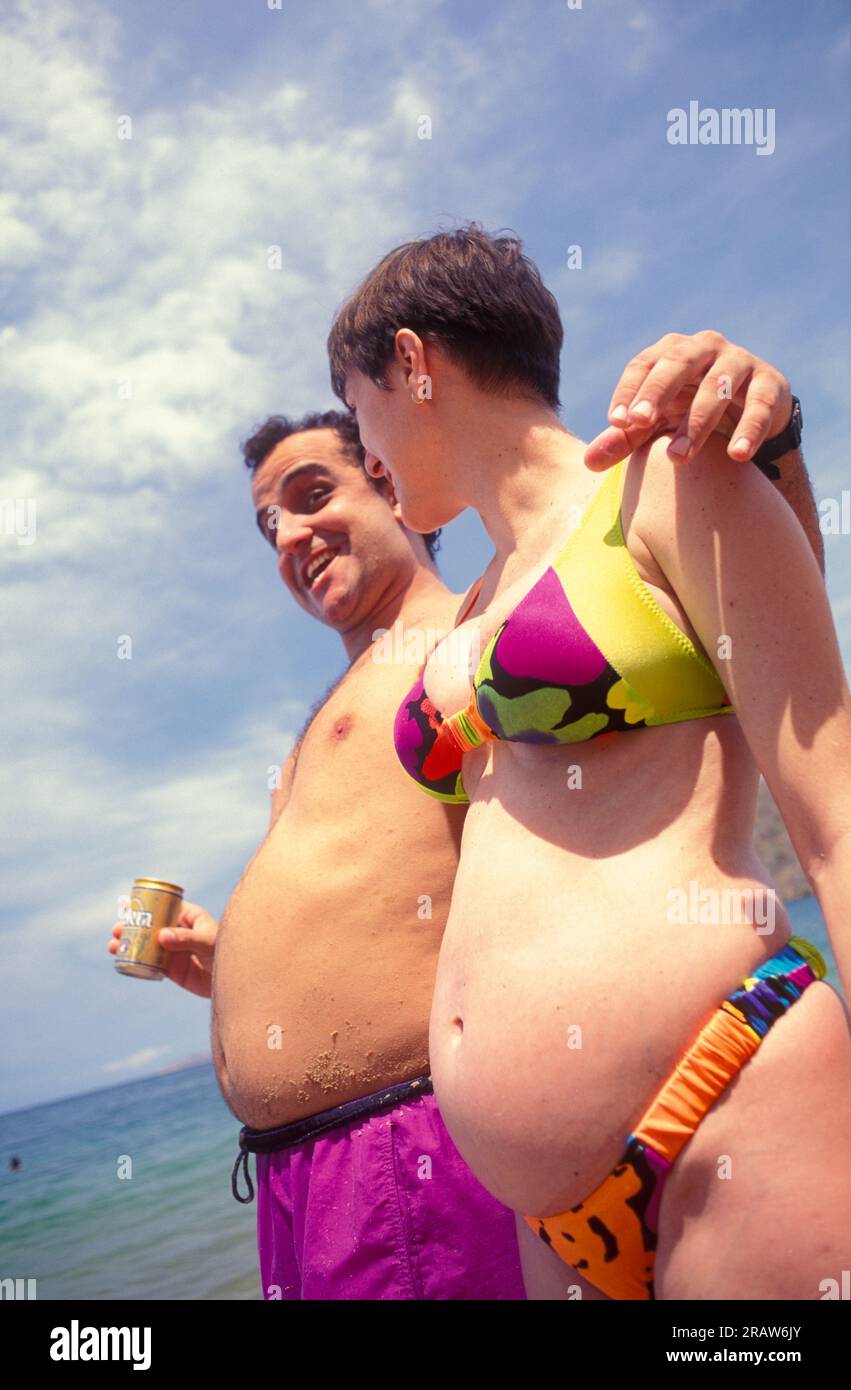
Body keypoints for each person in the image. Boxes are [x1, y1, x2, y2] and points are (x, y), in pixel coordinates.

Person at [108, 340, 820, 1301]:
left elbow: (758, 633)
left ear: (388, 478)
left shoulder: (478, 638)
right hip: (293, 1183)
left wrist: (772, 446)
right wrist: (235, 962)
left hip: (408, 1158)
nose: (287, 535)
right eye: (268, 522)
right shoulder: (346, 699)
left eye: (313, 494)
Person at [330, 223, 851, 1300]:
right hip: (547, 1215)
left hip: (729, 1103)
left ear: (413, 363)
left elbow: (830, 812)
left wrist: (777, 432)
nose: (363, 452)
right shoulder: (467, 604)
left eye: (357, 408)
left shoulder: (665, 480)